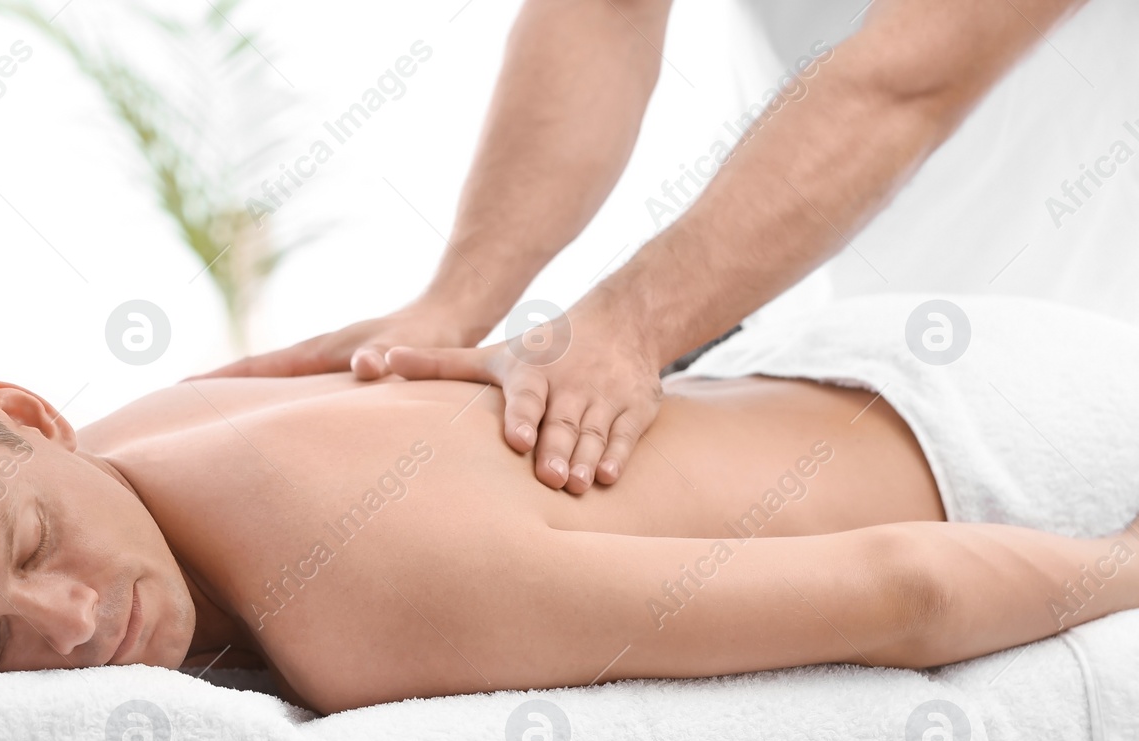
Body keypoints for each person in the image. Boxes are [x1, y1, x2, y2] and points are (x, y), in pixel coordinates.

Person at [0, 305, 1138, 718]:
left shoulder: (358, 594)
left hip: (1014, 442)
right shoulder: (134, 447)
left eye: (33, 550)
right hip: (864, 355)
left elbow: (907, 592)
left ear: (29, 414)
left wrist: (1123, 565)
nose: (76, 623)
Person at [198, 0, 1099, 498]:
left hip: (1090, 347)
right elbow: (603, 14)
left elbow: (909, 77)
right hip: (889, 348)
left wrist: (629, 326)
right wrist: (453, 307)